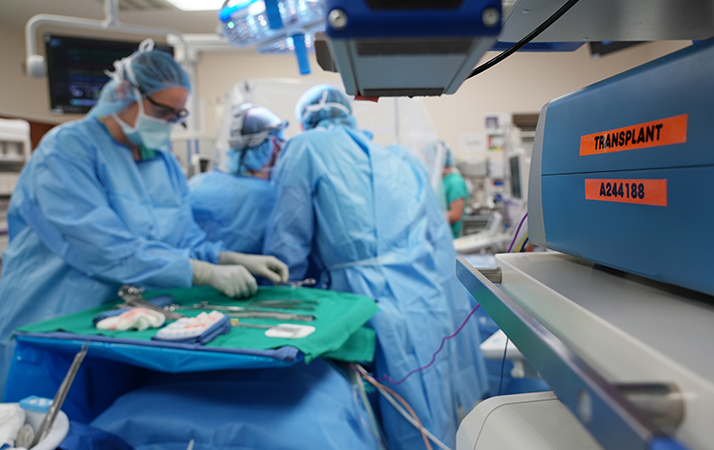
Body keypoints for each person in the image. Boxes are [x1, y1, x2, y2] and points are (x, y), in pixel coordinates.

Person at [0, 40, 288, 387]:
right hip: (54, 320)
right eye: (163, 112)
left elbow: (182, 239)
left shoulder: (162, 160)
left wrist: (224, 258)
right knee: (44, 429)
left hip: (127, 324)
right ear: (125, 92)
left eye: (177, 116)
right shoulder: (66, 151)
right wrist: (203, 272)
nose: (169, 123)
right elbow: (104, 248)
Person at [263, 85, 487, 450]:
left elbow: (288, 243)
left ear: (306, 121)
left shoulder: (305, 148)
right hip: (426, 300)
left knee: (380, 412)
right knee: (429, 409)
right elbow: (439, 240)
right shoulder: (400, 158)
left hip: (365, 303)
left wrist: (279, 296)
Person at [189, 103, 287, 255]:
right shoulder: (272, 198)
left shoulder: (198, 183)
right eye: (280, 141)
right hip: (249, 277)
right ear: (273, 144)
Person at [442, 146, 469, 238]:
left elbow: (455, 214)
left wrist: (430, 218)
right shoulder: (442, 180)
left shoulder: (455, 182)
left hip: (449, 237)